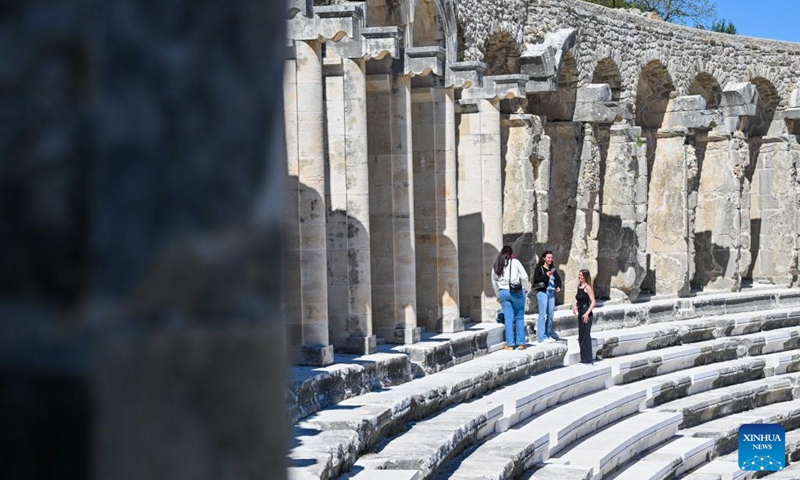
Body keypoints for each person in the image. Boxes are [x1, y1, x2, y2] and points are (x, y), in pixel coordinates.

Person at [491, 245, 531, 350]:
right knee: (519, 317)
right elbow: (524, 276)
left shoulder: (497, 264)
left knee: (508, 319)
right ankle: (521, 343)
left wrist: (497, 294)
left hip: (503, 292)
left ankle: (510, 344)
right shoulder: (515, 262)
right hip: (516, 291)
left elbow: (494, 280)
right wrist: (526, 288)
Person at [532, 251, 561, 343]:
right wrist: (546, 276)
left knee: (551, 315)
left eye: (551, 258)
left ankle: (548, 334)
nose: (550, 259)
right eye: (549, 258)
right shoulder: (539, 268)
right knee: (542, 315)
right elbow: (536, 279)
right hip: (542, 292)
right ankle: (541, 337)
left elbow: (558, 278)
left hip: (551, 293)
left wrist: (558, 286)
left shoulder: (552, 268)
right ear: (544, 258)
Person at [572, 269, 596, 364]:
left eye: (581, 275)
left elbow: (593, 302)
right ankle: (583, 358)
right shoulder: (579, 286)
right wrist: (575, 306)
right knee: (581, 336)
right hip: (581, 311)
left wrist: (587, 313)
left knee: (586, 336)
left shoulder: (588, 287)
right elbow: (580, 301)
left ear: (585, 276)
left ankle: (588, 359)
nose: (579, 277)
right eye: (579, 275)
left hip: (586, 312)